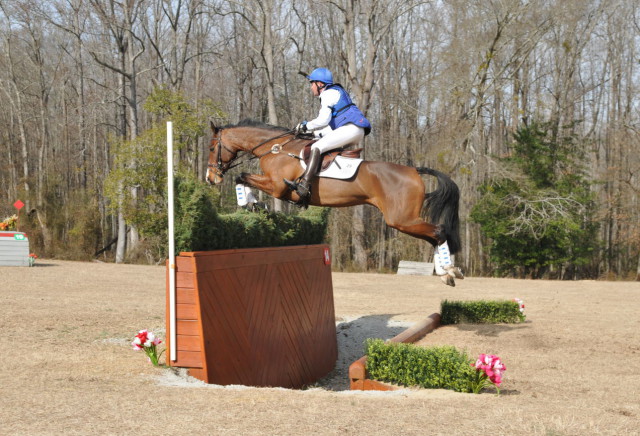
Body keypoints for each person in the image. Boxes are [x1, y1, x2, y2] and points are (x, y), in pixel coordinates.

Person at [284, 67, 371, 200]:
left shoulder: (327, 94)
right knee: (321, 143)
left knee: (316, 147)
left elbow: (323, 120)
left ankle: (304, 185)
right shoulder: (335, 92)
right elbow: (330, 127)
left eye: (312, 83)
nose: (311, 87)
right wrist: (312, 134)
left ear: (320, 84)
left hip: (351, 128)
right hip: (353, 129)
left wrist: (305, 126)